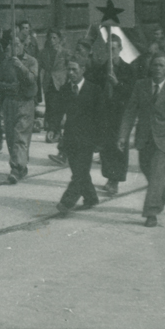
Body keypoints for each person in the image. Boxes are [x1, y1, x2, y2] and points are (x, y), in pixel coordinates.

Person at [119, 54, 165, 228]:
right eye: (155, 65)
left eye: (161, 65)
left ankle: (151, 212)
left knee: (156, 172)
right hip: (144, 137)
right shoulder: (140, 85)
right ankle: (163, 195)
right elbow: (130, 111)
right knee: (146, 169)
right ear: (150, 67)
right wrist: (123, 135)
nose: (157, 68)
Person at [55, 56, 103, 213]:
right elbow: (58, 112)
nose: (70, 72)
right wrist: (54, 129)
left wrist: (99, 140)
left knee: (80, 173)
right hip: (71, 137)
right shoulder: (65, 89)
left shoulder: (94, 90)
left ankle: (67, 202)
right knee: (78, 171)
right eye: (68, 69)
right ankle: (91, 197)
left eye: (74, 69)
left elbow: (101, 117)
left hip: (88, 139)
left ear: (83, 70)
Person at [95, 33, 135, 195]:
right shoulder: (101, 69)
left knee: (119, 146)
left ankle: (115, 180)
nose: (111, 52)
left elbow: (131, 93)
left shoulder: (128, 69)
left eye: (114, 48)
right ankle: (109, 177)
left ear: (120, 49)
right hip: (104, 113)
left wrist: (117, 84)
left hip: (121, 114)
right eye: (108, 49)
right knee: (106, 147)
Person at [0, 34, 39, 184]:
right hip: (9, 103)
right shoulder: (5, 63)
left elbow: (32, 79)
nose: (13, 48)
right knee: (11, 137)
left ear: (23, 45)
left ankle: (16, 168)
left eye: (16, 44)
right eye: (11, 45)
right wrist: (8, 87)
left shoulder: (32, 61)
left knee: (20, 135)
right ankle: (22, 165)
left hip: (25, 102)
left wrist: (20, 66)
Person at [39, 29, 69, 143]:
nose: (52, 40)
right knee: (50, 107)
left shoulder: (64, 52)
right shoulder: (43, 52)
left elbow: (69, 67)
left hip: (60, 83)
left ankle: (55, 131)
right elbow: (39, 66)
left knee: (58, 107)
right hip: (48, 83)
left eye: (54, 38)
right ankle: (53, 131)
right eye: (50, 38)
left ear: (59, 39)